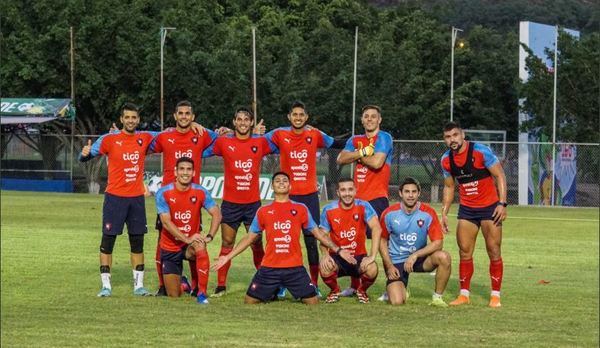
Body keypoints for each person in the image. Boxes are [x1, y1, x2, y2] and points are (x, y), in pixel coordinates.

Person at [211, 172, 355, 305]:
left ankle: (280, 289)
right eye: (277, 181)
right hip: (269, 268)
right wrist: (227, 257)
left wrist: (338, 250)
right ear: (272, 186)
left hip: (295, 269)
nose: (281, 183)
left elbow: (318, 233)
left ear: (290, 186)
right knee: (249, 302)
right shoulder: (263, 211)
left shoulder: (301, 208)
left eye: (285, 181)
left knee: (313, 302)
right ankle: (271, 290)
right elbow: (249, 238)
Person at [264, 101, 345, 297]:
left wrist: (363, 140)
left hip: (309, 197)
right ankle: (280, 284)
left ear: (306, 117)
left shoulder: (314, 134)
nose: (298, 118)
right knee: (283, 240)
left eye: (301, 115)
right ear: (289, 117)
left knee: (311, 241)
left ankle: (313, 284)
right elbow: (253, 141)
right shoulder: (279, 134)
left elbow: (336, 143)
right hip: (287, 197)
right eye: (295, 115)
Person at [79, 102, 155, 297]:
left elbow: (171, 135)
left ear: (138, 120)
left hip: (136, 199)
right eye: (127, 117)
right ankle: (106, 286)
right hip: (114, 198)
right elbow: (86, 156)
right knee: (108, 241)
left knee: (137, 241)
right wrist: (84, 154)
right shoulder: (109, 140)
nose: (130, 121)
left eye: (134, 117)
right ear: (121, 119)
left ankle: (139, 286)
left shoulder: (145, 138)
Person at [202, 107, 275, 297]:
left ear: (251, 123)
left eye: (246, 120)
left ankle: (265, 283)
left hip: (253, 205)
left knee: (257, 243)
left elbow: (284, 143)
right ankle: (221, 285)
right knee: (227, 242)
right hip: (231, 204)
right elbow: (201, 149)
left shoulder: (260, 142)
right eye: (239, 119)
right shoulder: (224, 142)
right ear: (234, 122)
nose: (243, 122)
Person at [150, 100, 218, 296]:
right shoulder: (165, 136)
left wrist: (207, 128)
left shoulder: (201, 134)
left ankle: (198, 288)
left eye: (188, 113)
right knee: (161, 242)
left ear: (193, 117)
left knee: (196, 242)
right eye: (180, 113)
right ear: (175, 116)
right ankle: (164, 286)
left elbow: (223, 139)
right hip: (168, 198)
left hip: (192, 199)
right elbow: (143, 144)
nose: (184, 117)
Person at [440, 121, 507, 308]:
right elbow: (449, 186)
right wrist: (444, 213)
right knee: (464, 252)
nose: (452, 139)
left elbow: (500, 175)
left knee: (494, 250)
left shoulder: (480, 151)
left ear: (462, 134)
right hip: (467, 210)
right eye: (447, 137)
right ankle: (464, 295)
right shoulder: (446, 160)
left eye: (455, 135)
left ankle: (495, 295)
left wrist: (502, 204)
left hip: (489, 208)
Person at [336, 104, 393, 297]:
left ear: (379, 120)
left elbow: (377, 162)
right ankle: (354, 285)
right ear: (361, 120)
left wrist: (357, 158)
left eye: (373, 116)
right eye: (366, 116)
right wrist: (362, 153)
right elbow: (341, 158)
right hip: (356, 200)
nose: (369, 119)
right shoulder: (355, 139)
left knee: (382, 243)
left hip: (376, 198)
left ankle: (391, 285)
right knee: (355, 241)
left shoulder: (384, 137)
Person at [155, 157, 221, 304]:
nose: (185, 172)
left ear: (193, 172)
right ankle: (184, 284)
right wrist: (186, 238)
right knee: (174, 295)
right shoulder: (163, 193)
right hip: (170, 248)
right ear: (175, 172)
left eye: (189, 169)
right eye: (182, 169)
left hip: (189, 246)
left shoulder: (200, 192)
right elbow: (166, 222)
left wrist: (209, 236)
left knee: (199, 244)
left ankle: (201, 293)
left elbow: (216, 213)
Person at [379, 177, 451, 307]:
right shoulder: (389, 214)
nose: (410, 195)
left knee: (444, 257)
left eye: (414, 192)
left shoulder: (428, 213)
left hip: (419, 260)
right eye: (407, 192)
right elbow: (382, 241)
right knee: (396, 302)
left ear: (419, 193)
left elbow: (438, 242)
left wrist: (415, 255)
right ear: (400, 193)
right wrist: (389, 266)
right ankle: (400, 290)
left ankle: (437, 298)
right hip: (397, 261)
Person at [318, 178, 381, 304]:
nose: (347, 193)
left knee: (372, 268)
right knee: (324, 267)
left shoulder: (364, 206)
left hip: (358, 258)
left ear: (355, 190)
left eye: (350, 189)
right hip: (337, 257)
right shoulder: (328, 210)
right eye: (343, 190)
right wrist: (325, 254)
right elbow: (322, 236)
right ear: (338, 192)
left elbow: (376, 228)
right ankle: (335, 290)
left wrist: (372, 256)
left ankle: (361, 290)